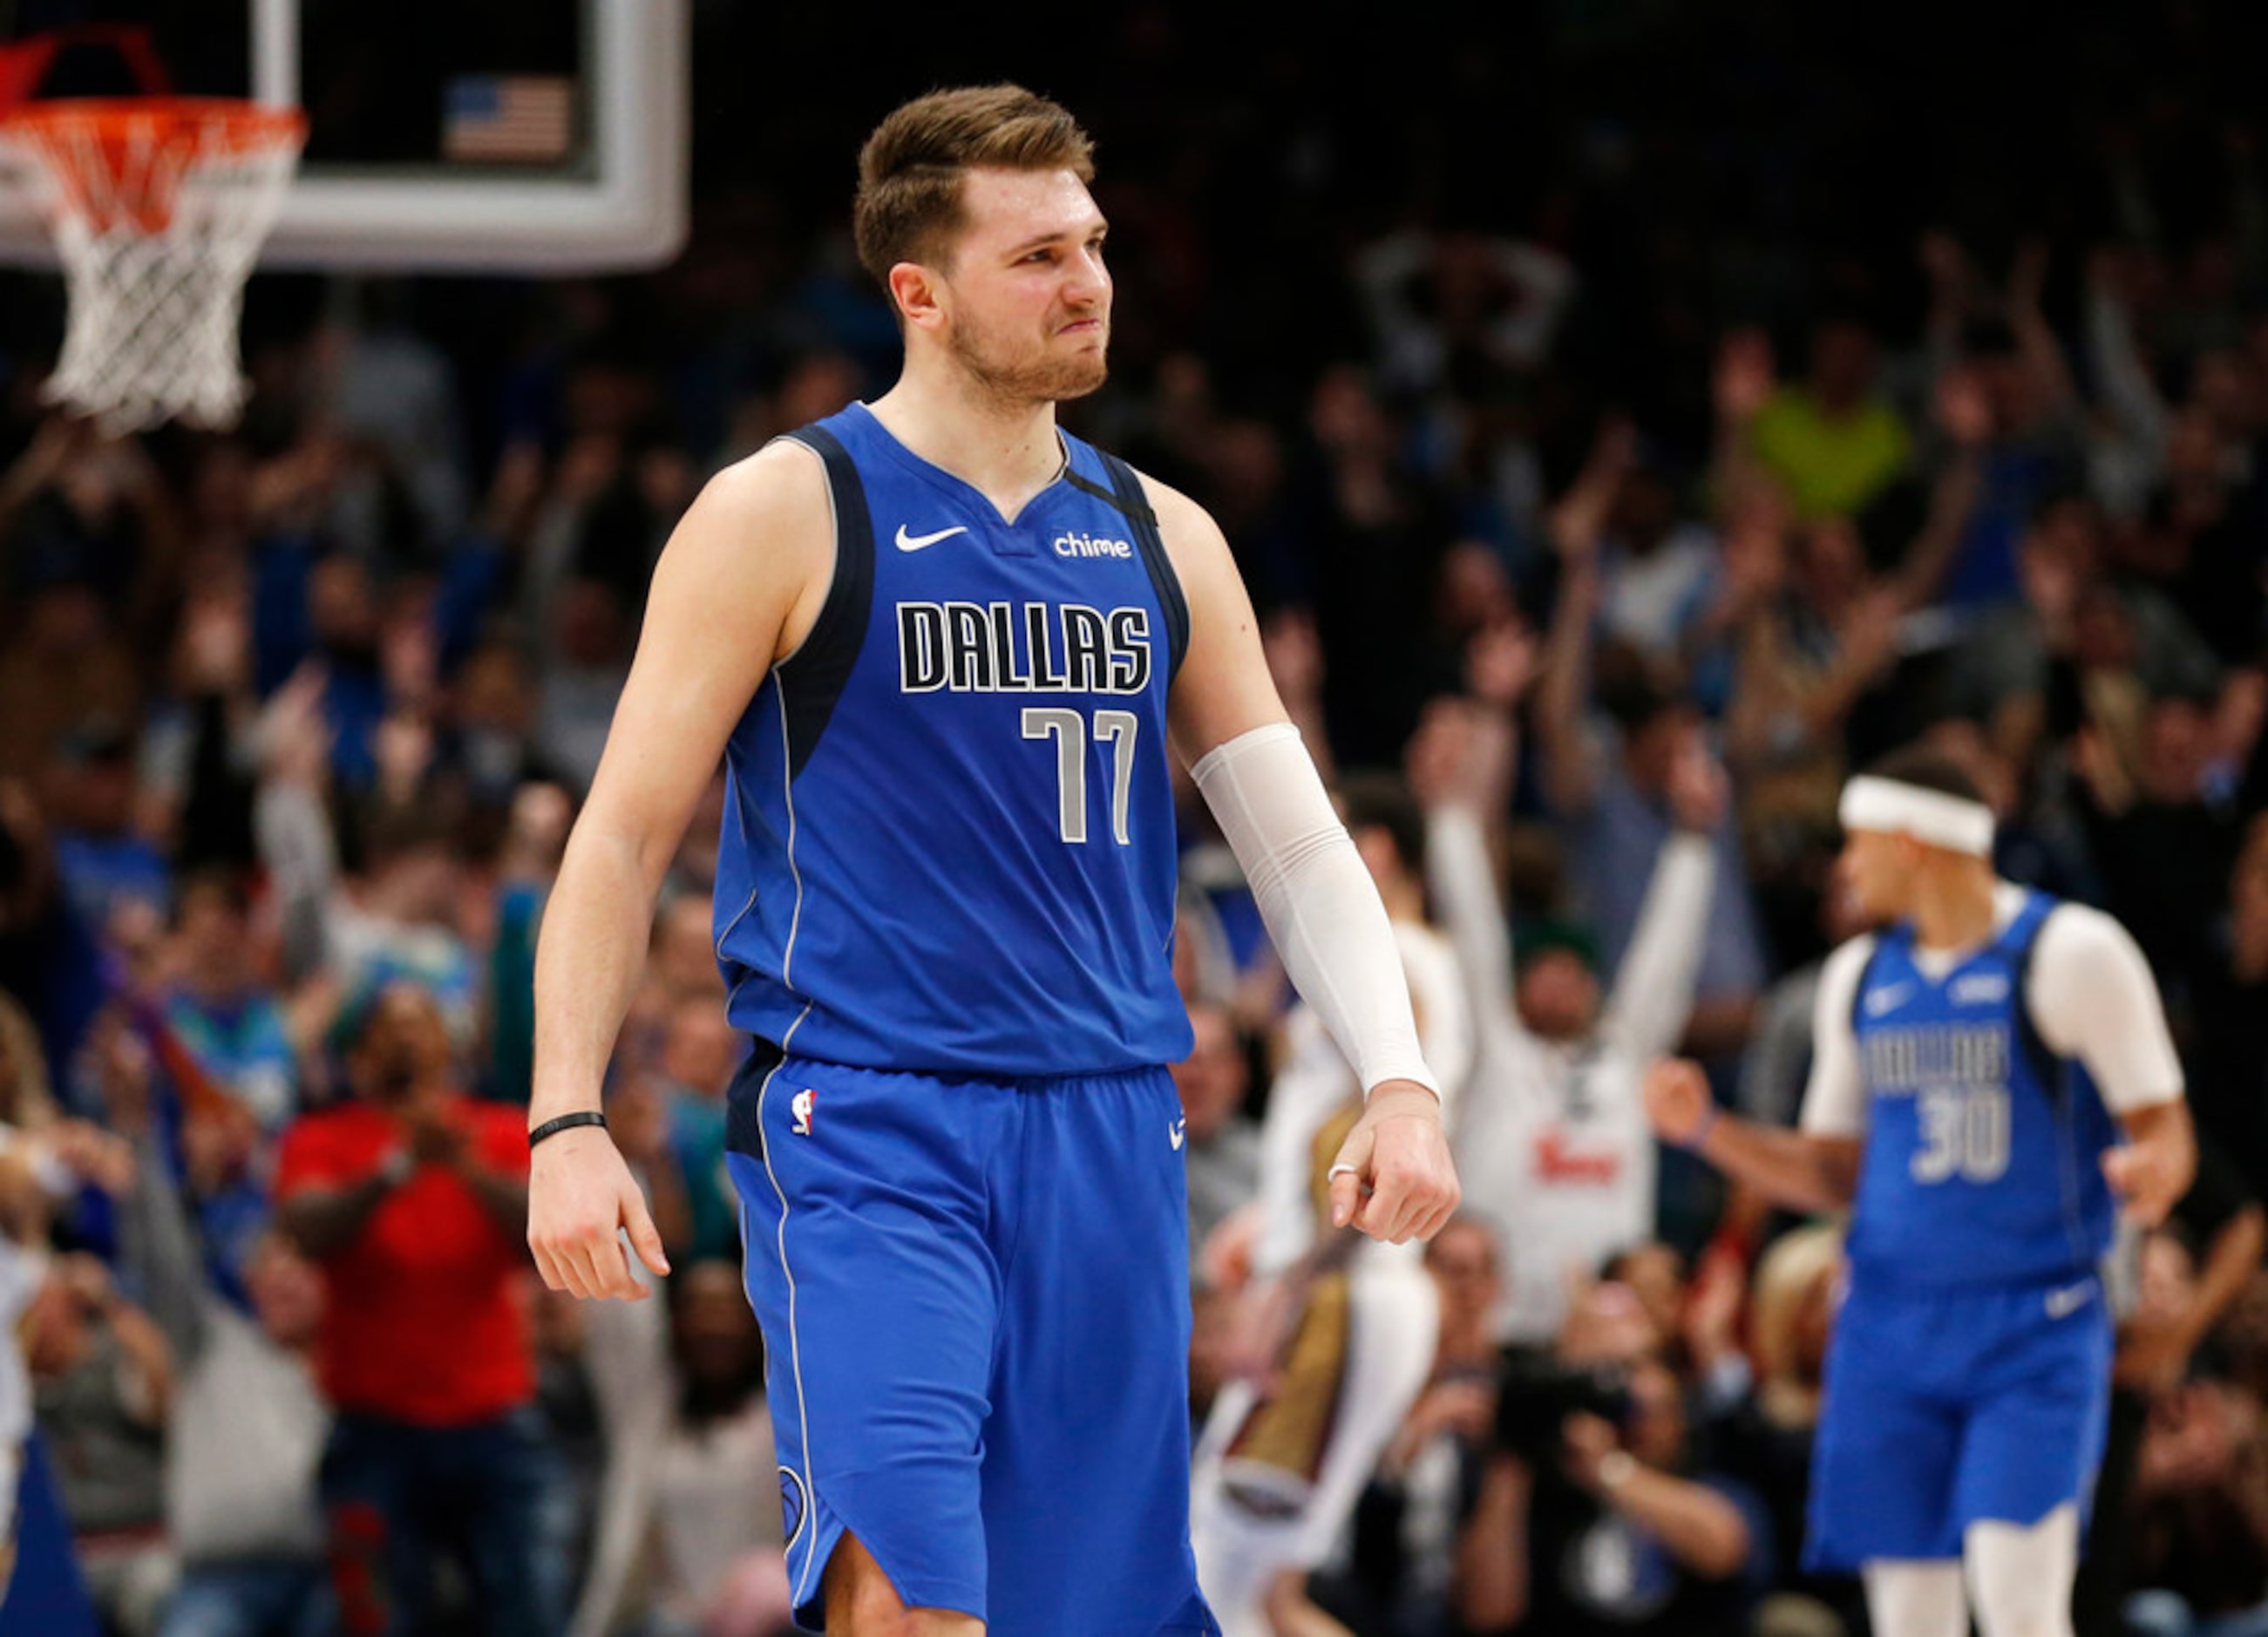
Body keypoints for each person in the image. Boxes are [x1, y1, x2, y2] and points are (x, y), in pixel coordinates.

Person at [525, 84, 1460, 1637]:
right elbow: (617, 839)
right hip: (870, 1119)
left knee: (1084, 1611)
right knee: (907, 1600)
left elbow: (1294, 839)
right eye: (1036, 255)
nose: (1087, 279)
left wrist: (1401, 1077)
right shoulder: (780, 509)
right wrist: (565, 1110)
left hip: (1108, 1119)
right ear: (922, 292)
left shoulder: (1165, 533)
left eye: (1091, 243)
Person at [1645, 745, 2198, 1637]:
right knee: (1906, 1617)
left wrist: (2151, 1177)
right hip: (1887, 1330)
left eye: (1855, 843)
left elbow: (2166, 1128)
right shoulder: (1858, 978)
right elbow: (1833, 1175)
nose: (1844, 867)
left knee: (2019, 1604)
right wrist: (1708, 1132)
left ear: (1908, 842)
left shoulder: (2069, 953)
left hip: (2030, 1320)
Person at [1190, 771, 1471, 1637]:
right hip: (1336, 1286)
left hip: (1335, 1295)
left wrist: (1292, 1284)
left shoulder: (1408, 959)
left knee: (1214, 1577)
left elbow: (1363, 1140)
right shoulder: (1409, 958)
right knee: (1260, 1596)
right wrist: (1265, 1230)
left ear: (1378, 851)